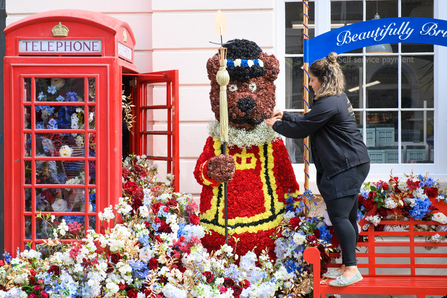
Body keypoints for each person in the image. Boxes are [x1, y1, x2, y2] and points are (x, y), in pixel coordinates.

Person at [266, 52, 370, 287]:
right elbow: (311, 120)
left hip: (346, 165)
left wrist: (277, 125)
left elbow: (303, 129)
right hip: (352, 162)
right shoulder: (334, 98)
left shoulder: (328, 102)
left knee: (339, 216)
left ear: (322, 79)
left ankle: (352, 268)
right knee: (348, 216)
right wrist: (288, 115)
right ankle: (347, 265)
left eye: (311, 80)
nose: (310, 84)